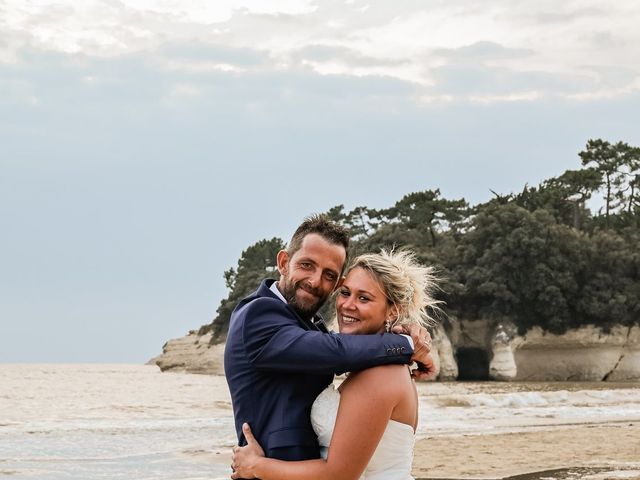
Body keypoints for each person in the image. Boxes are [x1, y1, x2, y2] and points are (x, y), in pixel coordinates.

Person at [224, 215, 434, 465]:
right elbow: (336, 351)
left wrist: (405, 335)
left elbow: (338, 348)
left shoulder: (305, 325)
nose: (315, 281)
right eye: (307, 265)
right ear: (283, 262)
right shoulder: (257, 314)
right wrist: (409, 346)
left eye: (329, 275)